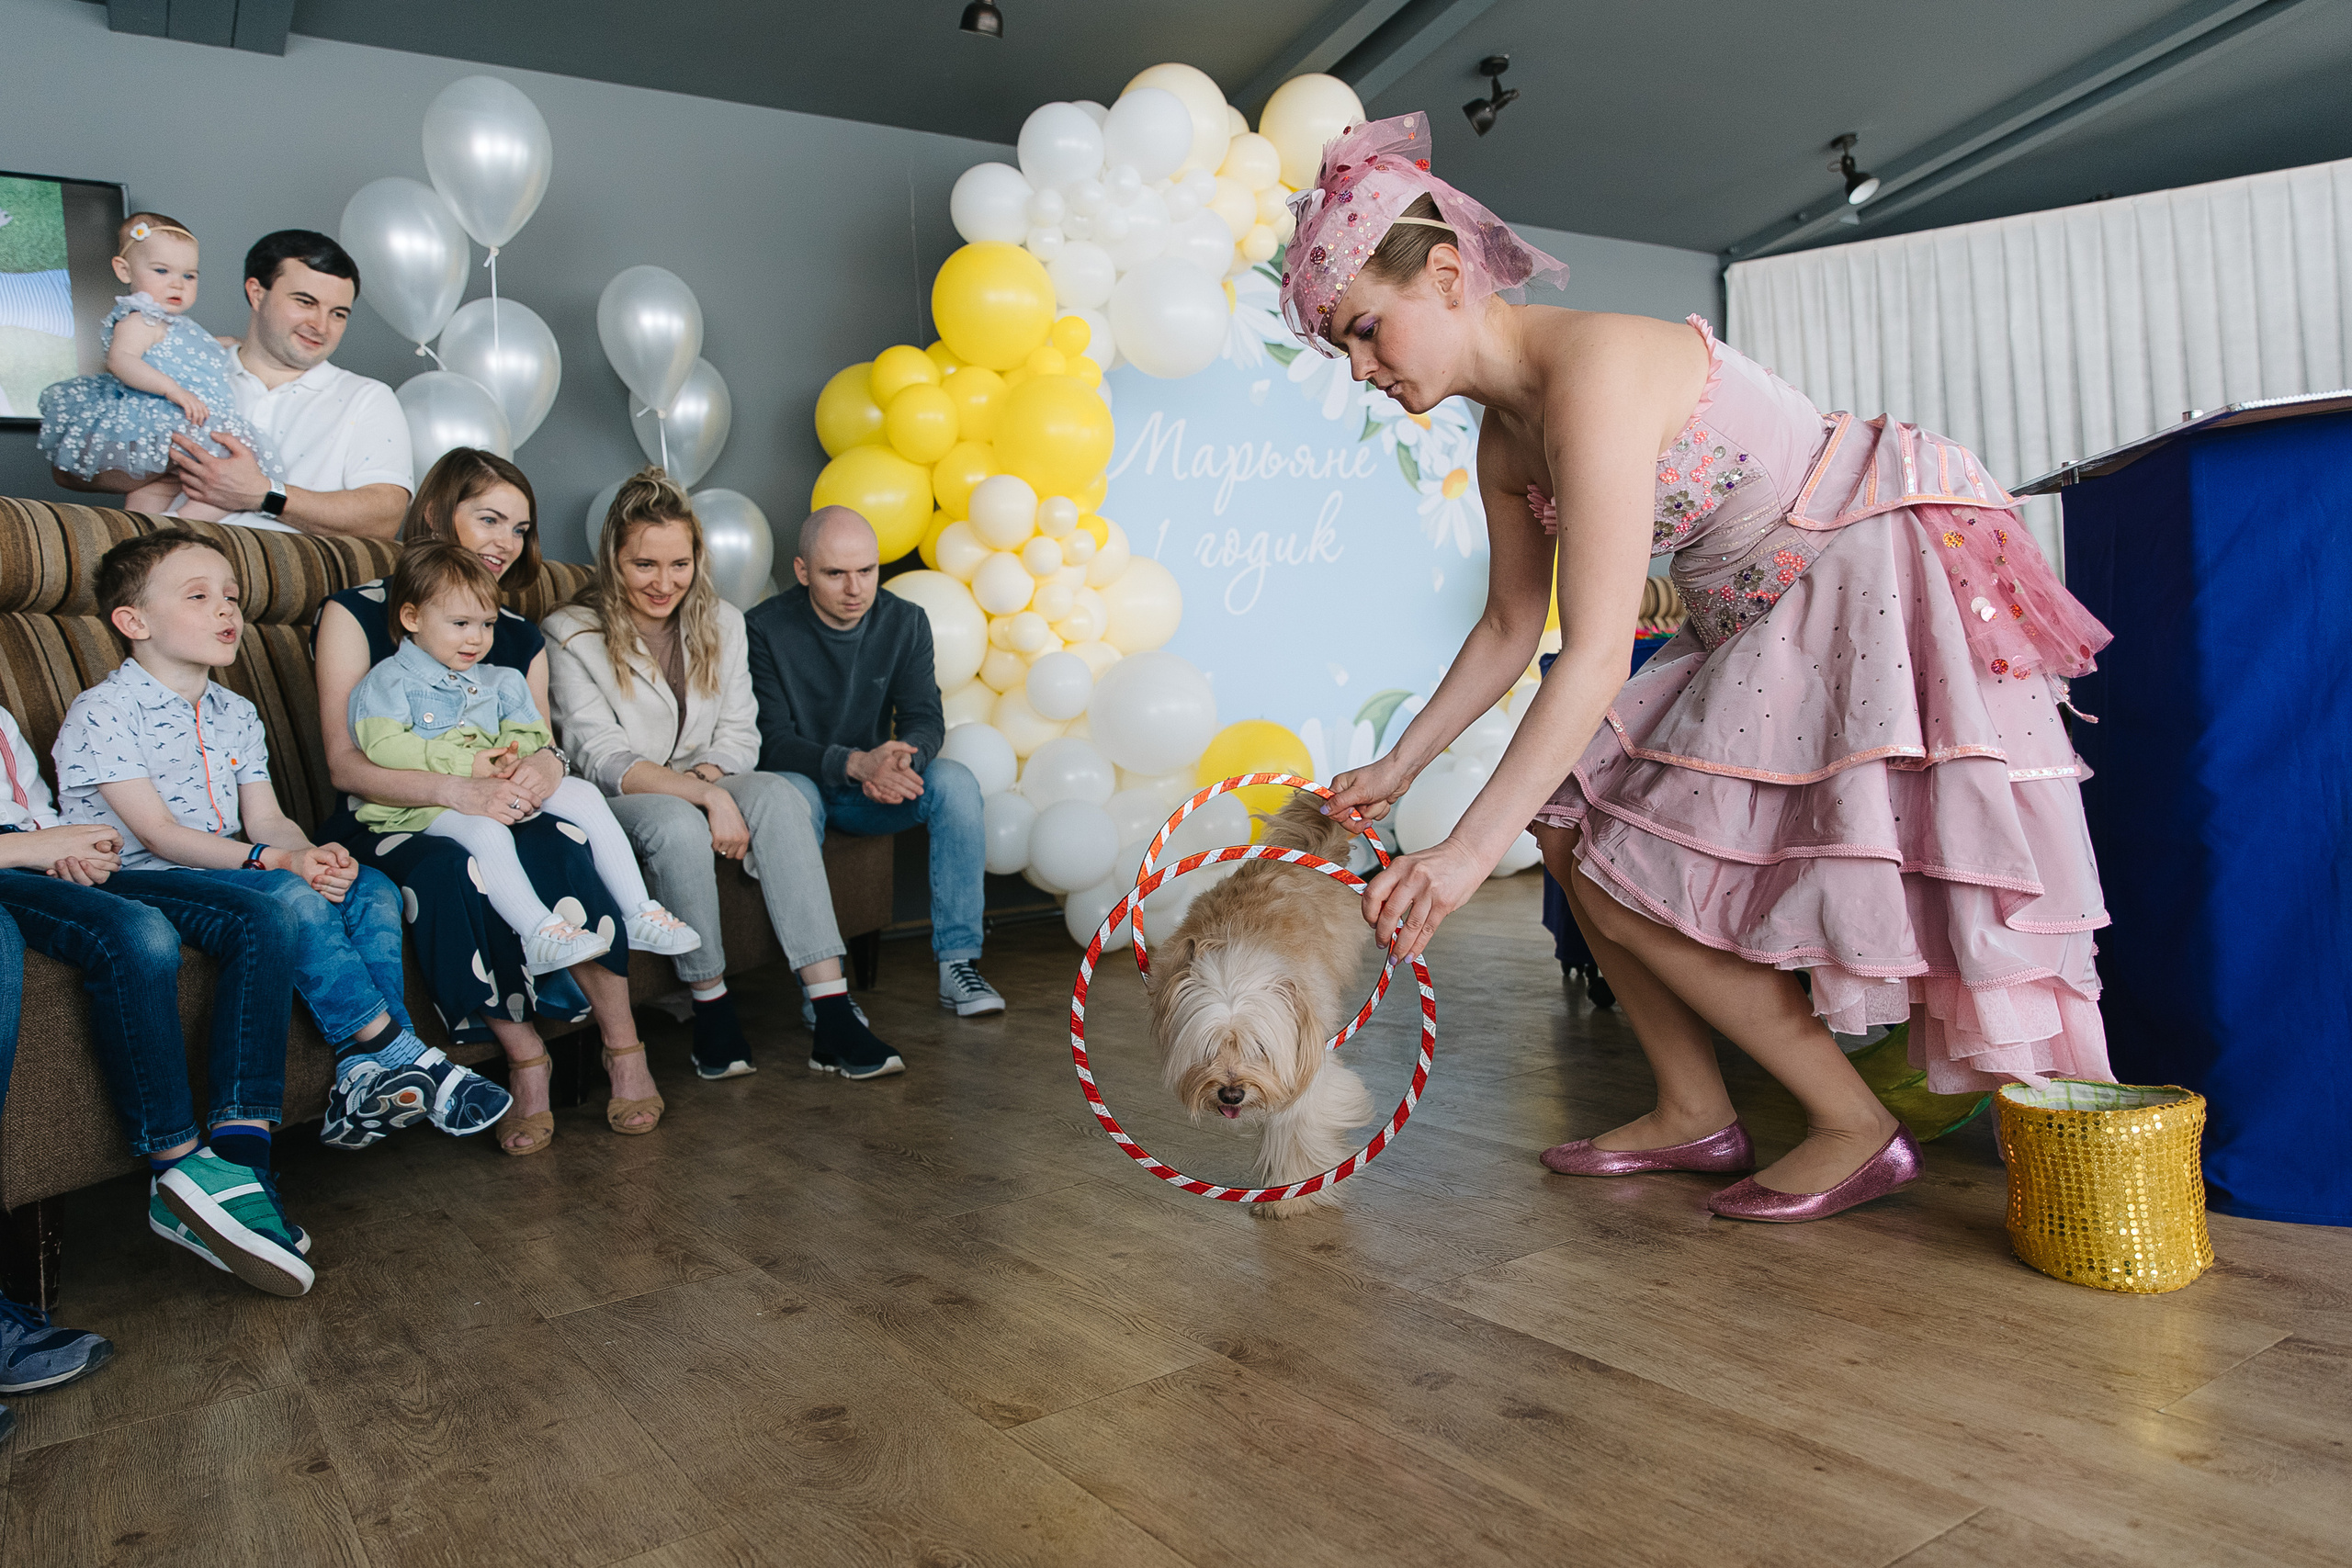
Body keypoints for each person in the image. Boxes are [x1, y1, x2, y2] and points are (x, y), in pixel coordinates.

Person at [1304, 114, 2115, 1224]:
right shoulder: (1503, 438)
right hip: (1755, 605)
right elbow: (1507, 626)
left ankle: (1851, 1126)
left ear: (1447, 275)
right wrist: (1397, 769)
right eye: (1340, 349)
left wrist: (1456, 858)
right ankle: (1692, 1109)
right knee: (1570, 826)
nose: (1359, 369)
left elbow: (1590, 652)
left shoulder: (1593, 373)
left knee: (1625, 864)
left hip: (1850, 567)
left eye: (1362, 332)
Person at [52, 528, 514, 1156]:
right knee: (282, 893)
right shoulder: (103, 710)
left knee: (370, 887)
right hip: (139, 875)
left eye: (233, 596)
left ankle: (361, 1074)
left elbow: (266, 819)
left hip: (228, 863)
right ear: (134, 620)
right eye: (198, 596)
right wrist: (278, 862)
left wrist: (312, 855)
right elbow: (158, 833)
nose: (226, 610)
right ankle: (399, 1050)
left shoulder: (235, 711)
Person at [311, 448, 661, 1147]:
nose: (507, 542)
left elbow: (540, 743)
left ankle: (626, 1049)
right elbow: (347, 765)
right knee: (451, 871)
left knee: (563, 844)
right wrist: (457, 791)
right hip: (396, 811)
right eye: (490, 519)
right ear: (438, 515)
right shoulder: (355, 613)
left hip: (498, 800)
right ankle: (526, 1058)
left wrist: (540, 769)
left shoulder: (519, 633)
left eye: (521, 528)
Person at [545, 469, 906, 1083]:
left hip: (706, 773)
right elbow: (601, 758)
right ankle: (710, 1004)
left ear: (697, 558)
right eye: (644, 564)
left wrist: (713, 780)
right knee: (677, 825)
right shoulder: (570, 633)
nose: (665, 583)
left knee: (784, 794)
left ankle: (832, 1009)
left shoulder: (725, 622)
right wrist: (705, 795)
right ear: (613, 559)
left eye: (679, 563)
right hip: (623, 796)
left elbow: (743, 735)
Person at [0, 697, 315, 1300]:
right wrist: (30, 850)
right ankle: (178, 1174)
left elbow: (37, 817)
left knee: (263, 914)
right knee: (140, 934)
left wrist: (71, 851)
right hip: (8, 869)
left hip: (35, 862)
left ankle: (240, 1161)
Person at [348, 539, 703, 976]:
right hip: (419, 806)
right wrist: (468, 766)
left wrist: (516, 762)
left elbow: (531, 732)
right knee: (486, 831)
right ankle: (539, 932)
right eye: (460, 623)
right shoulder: (387, 681)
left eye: (487, 624)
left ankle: (639, 911)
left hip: (500, 787)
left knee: (584, 796)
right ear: (412, 618)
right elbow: (382, 747)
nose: (476, 638)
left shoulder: (504, 680)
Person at [746, 506, 1002, 1042]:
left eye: (867, 570)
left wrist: (904, 758)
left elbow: (925, 717)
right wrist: (854, 762)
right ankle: (824, 991)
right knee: (789, 795)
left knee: (955, 782)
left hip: (873, 788)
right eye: (834, 574)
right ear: (801, 571)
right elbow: (771, 741)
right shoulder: (764, 629)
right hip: (806, 784)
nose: (854, 588)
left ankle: (959, 964)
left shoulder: (904, 621)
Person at [51, 229, 412, 540]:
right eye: (305, 302)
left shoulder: (366, 398)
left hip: (286, 584)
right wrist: (170, 461)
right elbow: (68, 470)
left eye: (338, 314)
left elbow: (385, 517)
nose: (321, 325)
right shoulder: (184, 368)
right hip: (166, 578)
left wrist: (262, 494)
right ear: (256, 293)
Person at [35, 213, 284, 521]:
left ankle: (143, 537)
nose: (177, 284)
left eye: (189, 276)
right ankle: (183, 526)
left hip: (184, 421)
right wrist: (173, 390)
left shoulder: (173, 323)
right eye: (162, 270)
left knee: (159, 487)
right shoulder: (140, 318)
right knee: (225, 481)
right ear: (124, 270)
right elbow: (121, 359)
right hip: (165, 417)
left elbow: (185, 347)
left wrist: (222, 343)